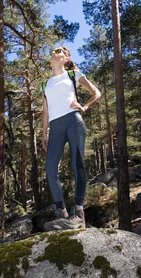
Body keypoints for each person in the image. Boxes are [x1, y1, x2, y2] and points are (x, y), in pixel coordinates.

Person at [42, 46, 101, 230]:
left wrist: (84, 107)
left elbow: (96, 93)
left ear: (66, 58)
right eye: (53, 51)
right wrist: (44, 133)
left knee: (77, 164)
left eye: (59, 51)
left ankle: (79, 213)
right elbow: (45, 110)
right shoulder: (45, 84)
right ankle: (62, 213)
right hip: (55, 128)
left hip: (73, 121)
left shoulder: (74, 74)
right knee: (50, 169)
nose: (54, 52)